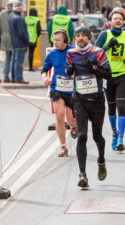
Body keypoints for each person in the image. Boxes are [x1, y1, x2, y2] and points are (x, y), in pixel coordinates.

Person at [66, 26, 111, 188]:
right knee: (82, 136)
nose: (80, 38)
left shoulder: (98, 52)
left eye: (83, 35)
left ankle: (101, 160)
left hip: (97, 99)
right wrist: (69, 69)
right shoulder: (71, 53)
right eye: (77, 35)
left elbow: (108, 74)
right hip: (80, 99)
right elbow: (68, 69)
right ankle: (82, 175)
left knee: (97, 137)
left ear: (89, 37)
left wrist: (93, 68)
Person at [95, 7, 125, 152]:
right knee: (111, 108)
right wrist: (107, 46)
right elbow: (95, 52)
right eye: (115, 18)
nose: (118, 20)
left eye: (120, 18)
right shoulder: (104, 34)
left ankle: (121, 139)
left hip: (123, 75)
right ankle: (114, 132)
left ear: (123, 21)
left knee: (121, 106)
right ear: (111, 21)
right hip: (108, 76)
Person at [42, 29, 77, 157]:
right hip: (56, 88)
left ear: (65, 40)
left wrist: (76, 74)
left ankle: (73, 127)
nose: (55, 42)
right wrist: (45, 79)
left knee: (71, 118)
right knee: (59, 116)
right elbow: (44, 69)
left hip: (71, 89)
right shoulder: (52, 54)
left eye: (58, 40)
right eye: (54, 40)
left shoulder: (73, 51)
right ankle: (63, 147)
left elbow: (81, 66)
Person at [9, 1, 29, 84]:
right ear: (19, 8)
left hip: (14, 42)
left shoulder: (11, 16)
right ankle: (19, 78)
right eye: (22, 7)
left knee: (14, 60)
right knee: (19, 62)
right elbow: (22, 33)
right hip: (20, 42)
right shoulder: (19, 18)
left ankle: (13, 78)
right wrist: (27, 41)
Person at [0, 0, 15, 82]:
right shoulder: (16, 13)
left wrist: (2, 34)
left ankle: (6, 76)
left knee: (7, 58)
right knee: (14, 58)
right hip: (14, 37)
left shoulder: (2, 13)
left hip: (4, 37)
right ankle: (14, 76)